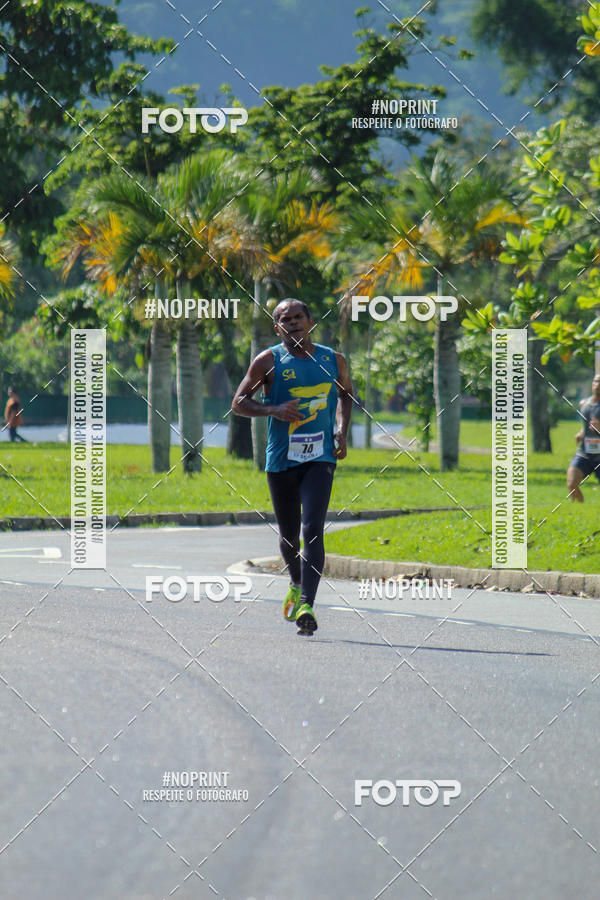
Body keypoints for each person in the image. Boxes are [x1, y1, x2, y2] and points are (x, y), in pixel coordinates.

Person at [233, 298, 353, 635]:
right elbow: (238, 403)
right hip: (282, 459)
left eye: (299, 316)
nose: (294, 322)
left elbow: (346, 395)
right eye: (286, 319)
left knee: (312, 528)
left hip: (321, 457)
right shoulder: (268, 361)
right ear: (278, 328)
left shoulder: (333, 360)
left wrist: (341, 430)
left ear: (311, 321)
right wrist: (274, 410)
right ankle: (296, 582)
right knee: (288, 536)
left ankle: (307, 605)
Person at [567, 373, 600, 502]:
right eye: (596, 381)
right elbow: (586, 424)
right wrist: (581, 433)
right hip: (584, 453)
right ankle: (580, 509)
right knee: (571, 484)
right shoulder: (584, 403)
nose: (597, 385)